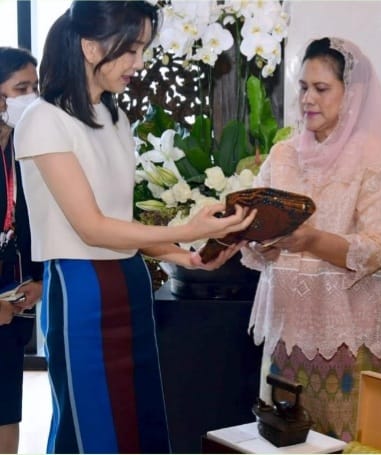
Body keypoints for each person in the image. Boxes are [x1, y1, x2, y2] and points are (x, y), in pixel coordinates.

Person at [13, 2, 256, 454]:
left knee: (137, 421)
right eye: (130, 50)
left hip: (130, 282)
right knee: (91, 426)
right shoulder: (43, 119)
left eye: (142, 49)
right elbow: (91, 228)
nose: (139, 63)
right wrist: (180, 227)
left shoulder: (115, 116)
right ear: (89, 47)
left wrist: (183, 254)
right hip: (81, 287)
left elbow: (119, 222)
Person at [241, 37, 381, 442]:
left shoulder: (374, 157)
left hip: (345, 333)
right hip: (287, 332)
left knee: (342, 437)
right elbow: (255, 230)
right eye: (302, 88)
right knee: (281, 436)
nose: (308, 99)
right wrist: (256, 239)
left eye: (321, 88)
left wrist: (313, 241)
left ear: (352, 93)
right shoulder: (282, 155)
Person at [0, 47, 43, 454]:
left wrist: (40, 278)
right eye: (21, 88)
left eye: (36, 86)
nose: (32, 97)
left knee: (6, 407)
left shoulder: (28, 149)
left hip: (15, 295)